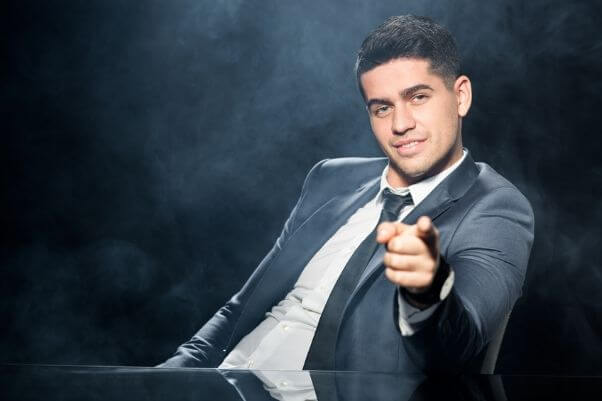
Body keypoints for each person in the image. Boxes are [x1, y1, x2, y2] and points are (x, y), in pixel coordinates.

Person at [159, 15, 534, 374]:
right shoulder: (330, 178)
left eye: (418, 97)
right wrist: (165, 378)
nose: (401, 124)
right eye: (382, 108)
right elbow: (240, 310)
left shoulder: (495, 206)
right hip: (221, 382)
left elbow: (458, 345)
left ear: (461, 96)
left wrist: (429, 292)